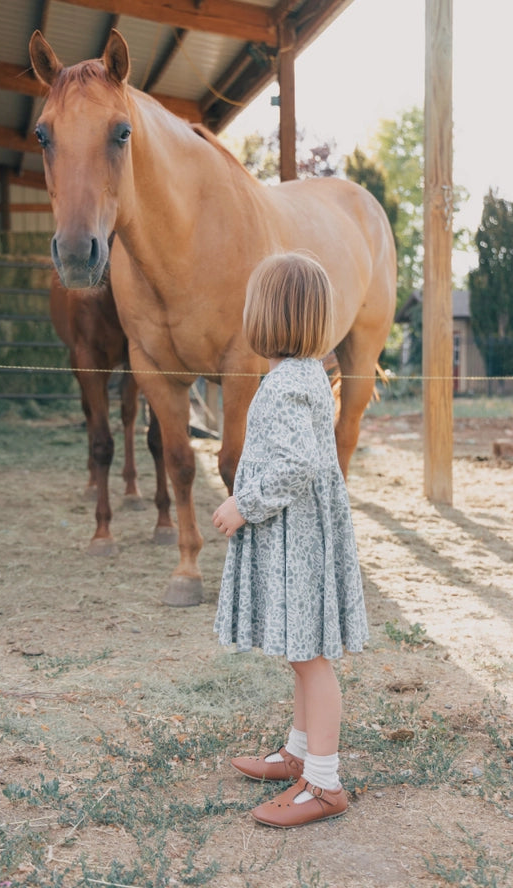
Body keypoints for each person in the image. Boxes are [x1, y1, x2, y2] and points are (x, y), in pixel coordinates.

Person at [212, 251, 368, 828]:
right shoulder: (300, 376)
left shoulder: (287, 385)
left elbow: (297, 464)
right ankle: (298, 753)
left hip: (298, 544)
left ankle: (324, 783)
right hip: (299, 542)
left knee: (310, 659)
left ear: (268, 316)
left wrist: (242, 505)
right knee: (301, 655)